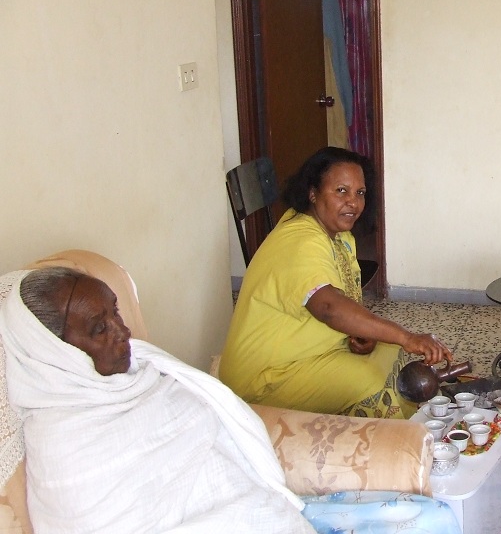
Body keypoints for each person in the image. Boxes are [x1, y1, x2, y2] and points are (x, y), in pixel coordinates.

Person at [0, 267, 316, 534]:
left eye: (116, 311)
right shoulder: (67, 448)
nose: (123, 330)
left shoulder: (142, 367)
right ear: (56, 354)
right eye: (100, 328)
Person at [220, 147, 452, 418]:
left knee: (393, 354)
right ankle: (384, 452)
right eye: (341, 191)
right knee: (374, 383)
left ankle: (407, 431)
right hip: (267, 376)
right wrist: (407, 336)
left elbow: (343, 301)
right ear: (313, 192)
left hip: (309, 352)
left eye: (360, 193)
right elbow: (329, 307)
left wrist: (362, 333)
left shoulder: (339, 236)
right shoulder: (300, 241)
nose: (353, 202)